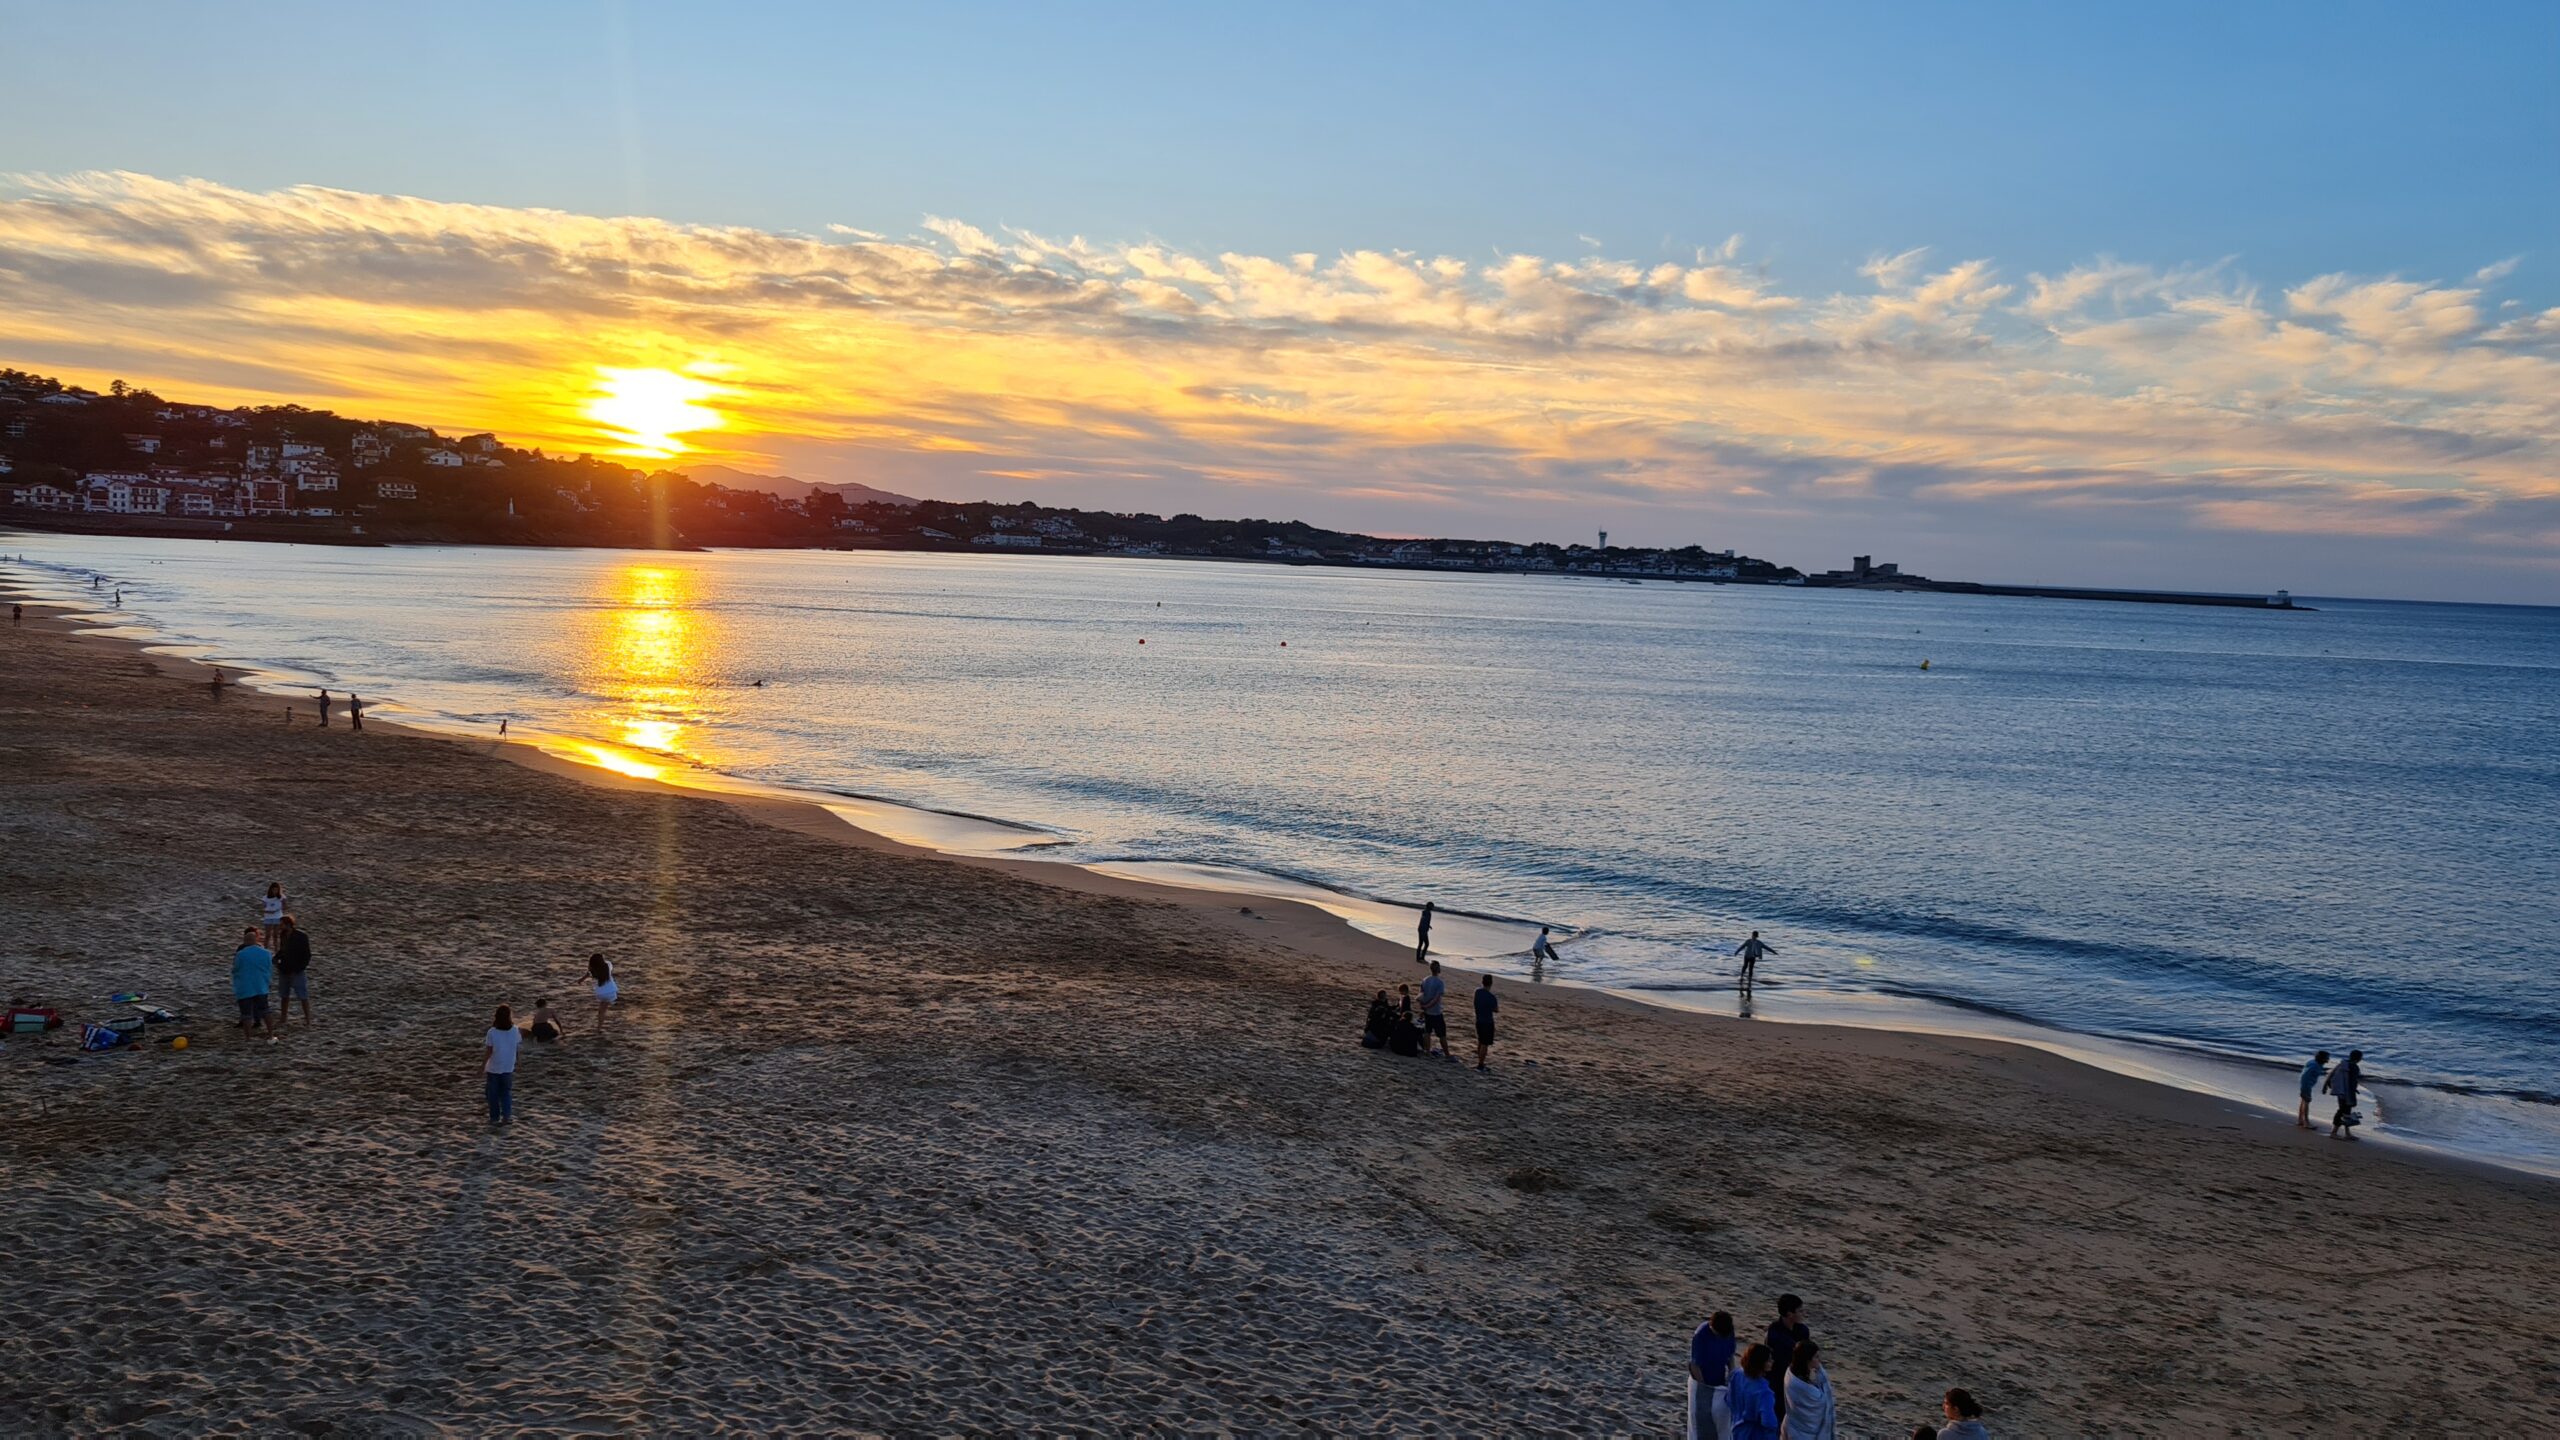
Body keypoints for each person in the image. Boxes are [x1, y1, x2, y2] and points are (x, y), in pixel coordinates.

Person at [1687, 1310, 1738, 1440]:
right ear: (1711, 1327)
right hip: (1703, 1379)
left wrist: (1731, 1376)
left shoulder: (1728, 1331)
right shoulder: (1701, 1335)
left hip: (1719, 1377)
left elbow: (1730, 1357)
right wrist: (1704, 1388)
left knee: (1720, 1418)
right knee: (1701, 1418)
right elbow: (1694, 1365)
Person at [1780, 1340, 1835, 1440]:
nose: (1819, 1360)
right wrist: (1819, 1371)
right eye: (1816, 1357)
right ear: (1807, 1360)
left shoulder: (1790, 1372)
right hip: (1804, 1433)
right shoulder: (1802, 1386)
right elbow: (1822, 1402)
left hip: (1792, 1426)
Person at [230, 926, 276, 1042]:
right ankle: (271, 1034)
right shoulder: (266, 953)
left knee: (246, 1014)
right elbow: (269, 968)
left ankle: (248, 1038)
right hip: (261, 985)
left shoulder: (241, 954)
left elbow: (235, 969)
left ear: (245, 942)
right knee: (265, 1010)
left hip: (245, 986)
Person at [1765, 1296, 1809, 1419]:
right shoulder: (1774, 1331)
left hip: (1796, 1379)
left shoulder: (1803, 1331)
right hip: (1777, 1380)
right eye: (1800, 1311)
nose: (1803, 1314)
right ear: (1790, 1314)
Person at [1726, 1344, 1779, 1440]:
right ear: (1760, 1363)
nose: (1772, 1362)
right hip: (1754, 1434)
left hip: (1736, 1430)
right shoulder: (1764, 1392)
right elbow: (1769, 1422)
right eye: (1769, 1360)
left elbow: (1728, 1400)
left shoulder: (1736, 1375)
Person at [482, 1004, 522, 1125]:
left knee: (492, 1094)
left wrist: (482, 1066)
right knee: (506, 1092)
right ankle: (506, 1116)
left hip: (494, 1066)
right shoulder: (515, 1030)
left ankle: (494, 1118)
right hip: (508, 1065)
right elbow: (517, 1045)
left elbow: (489, 1051)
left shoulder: (492, 1032)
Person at [273, 914, 314, 1026]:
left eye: (281, 924)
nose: (279, 927)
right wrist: (276, 958)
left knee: (303, 995)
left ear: (288, 924)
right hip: (284, 969)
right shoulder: (283, 935)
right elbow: (282, 950)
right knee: (284, 995)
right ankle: (283, 1018)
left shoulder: (301, 936)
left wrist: (300, 968)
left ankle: (307, 1019)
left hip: (297, 970)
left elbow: (307, 954)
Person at [2323, 1049, 2366, 1139]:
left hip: (2340, 1091)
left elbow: (2331, 1074)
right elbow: (2352, 1082)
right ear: (2359, 1059)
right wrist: (2353, 1092)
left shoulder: (2342, 1064)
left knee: (2346, 1112)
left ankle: (2347, 1133)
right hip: (2348, 1093)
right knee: (2343, 1112)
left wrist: (2326, 1086)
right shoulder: (2354, 1067)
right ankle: (2334, 1132)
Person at [1418, 960, 1450, 1060]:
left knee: (1428, 1031)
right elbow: (1436, 999)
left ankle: (1427, 1051)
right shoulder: (1440, 982)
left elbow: (1421, 995)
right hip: (1435, 1012)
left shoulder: (1425, 980)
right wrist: (1427, 1006)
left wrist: (1423, 1006)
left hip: (1427, 1011)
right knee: (1442, 1034)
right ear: (1438, 969)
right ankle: (1447, 1054)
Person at [2297, 1050, 2331, 1129]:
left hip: (2306, 1085)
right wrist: (2305, 1087)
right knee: (2306, 1102)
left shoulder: (2313, 1063)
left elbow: (2315, 1072)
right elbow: (2305, 1075)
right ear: (2322, 1059)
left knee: (2303, 1101)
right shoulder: (2315, 1066)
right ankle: (2306, 1122)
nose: (2328, 1059)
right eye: (2327, 1058)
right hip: (2306, 1086)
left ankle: (2300, 1120)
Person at [1472, 973, 1499, 1071]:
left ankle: (1480, 1059)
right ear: (1491, 983)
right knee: (1485, 1043)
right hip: (1487, 1021)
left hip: (1479, 1019)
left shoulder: (1477, 992)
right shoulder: (1491, 997)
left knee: (1480, 1040)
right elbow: (1496, 1009)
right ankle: (1480, 1064)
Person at [587, 952, 619, 1034]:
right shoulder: (608, 965)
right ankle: (599, 1028)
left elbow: (589, 974)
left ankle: (599, 1028)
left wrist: (581, 979)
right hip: (610, 991)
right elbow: (609, 966)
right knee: (603, 1010)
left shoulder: (594, 970)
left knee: (602, 1010)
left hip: (601, 993)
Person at [1387, 985, 1422, 1056]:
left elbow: (1405, 1008)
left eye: (1401, 991)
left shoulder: (1406, 998)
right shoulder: (1402, 997)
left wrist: (1400, 1015)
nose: (1400, 993)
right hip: (1403, 1015)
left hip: (1404, 1015)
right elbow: (1399, 1006)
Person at [260, 882, 287, 949]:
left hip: (278, 917)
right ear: (271, 889)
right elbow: (262, 908)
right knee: (268, 935)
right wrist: (267, 911)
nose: (275, 891)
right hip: (268, 917)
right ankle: (265, 950)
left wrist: (278, 909)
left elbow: (285, 906)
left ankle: (276, 950)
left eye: (276, 890)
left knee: (275, 935)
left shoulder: (281, 897)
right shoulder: (265, 897)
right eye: (273, 889)